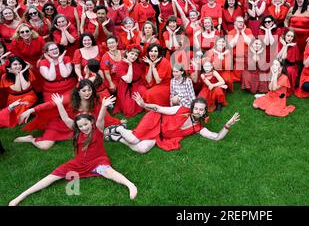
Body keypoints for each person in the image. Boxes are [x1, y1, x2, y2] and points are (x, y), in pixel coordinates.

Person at [9, 95, 137, 206]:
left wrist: (103, 106)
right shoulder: (77, 131)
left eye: (86, 124)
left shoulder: (97, 129)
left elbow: (100, 119)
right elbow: (65, 119)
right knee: (51, 177)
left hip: (98, 161)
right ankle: (21, 196)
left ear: (91, 122)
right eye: (80, 126)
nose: (83, 128)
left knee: (110, 172)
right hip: (78, 163)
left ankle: (130, 185)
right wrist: (59, 104)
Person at [103, 95, 240, 154]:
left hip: (160, 135)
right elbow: (160, 109)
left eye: (201, 109)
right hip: (156, 120)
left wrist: (227, 125)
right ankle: (119, 128)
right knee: (133, 139)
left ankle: (116, 137)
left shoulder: (198, 128)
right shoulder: (182, 109)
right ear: (192, 108)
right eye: (196, 108)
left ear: (204, 111)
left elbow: (216, 137)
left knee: (142, 149)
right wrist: (144, 105)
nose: (198, 111)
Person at [113, 45, 147, 117]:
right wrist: (130, 65)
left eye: (136, 55)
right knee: (129, 111)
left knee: (145, 93)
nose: (133, 56)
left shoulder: (139, 63)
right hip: (125, 87)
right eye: (132, 53)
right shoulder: (120, 65)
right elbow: (128, 80)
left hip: (137, 84)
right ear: (127, 53)